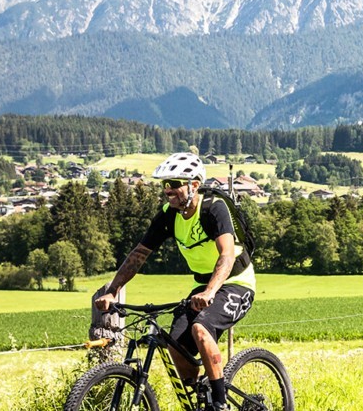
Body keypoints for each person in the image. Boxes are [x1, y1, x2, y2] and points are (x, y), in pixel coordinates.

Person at [94, 152, 256, 411]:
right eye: (165, 185)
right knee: (175, 344)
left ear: (193, 184)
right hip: (203, 287)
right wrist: (113, 291)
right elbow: (139, 254)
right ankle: (199, 397)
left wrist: (211, 291)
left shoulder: (213, 207)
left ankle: (220, 405)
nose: (168, 190)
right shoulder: (169, 215)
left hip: (236, 283)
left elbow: (226, 254)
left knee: (201, 329)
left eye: (175, 184)